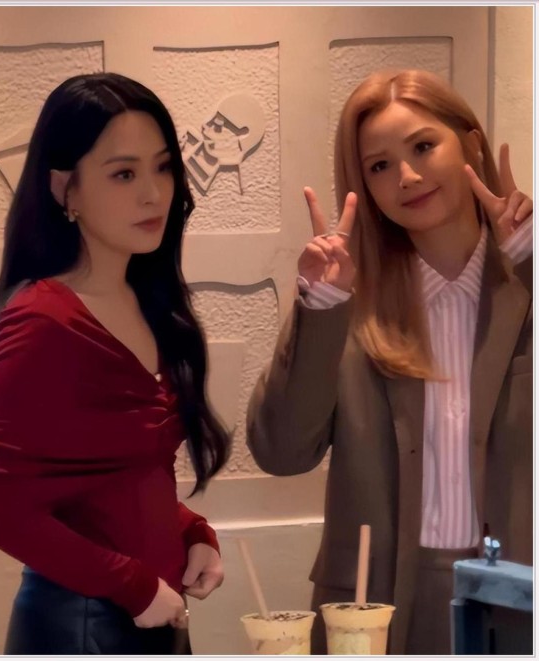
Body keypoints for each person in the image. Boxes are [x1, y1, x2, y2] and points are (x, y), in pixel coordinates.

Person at [247, 69, 532, 655]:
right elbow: (281, 451)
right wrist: (320, 306)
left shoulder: (525, 285)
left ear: (470, 144)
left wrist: (531, 260)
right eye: (379, 165)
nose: (406, 176)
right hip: (375, 606)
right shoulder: (347, 304)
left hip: (517, 597)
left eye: (423, 146)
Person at [0, 72, 231, 655]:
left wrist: (192, 532)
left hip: (150, 619)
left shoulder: (151, 304)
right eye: (123, 174)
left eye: (163, 167)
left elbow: (110, 484)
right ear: (66, 189)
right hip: (79, 626)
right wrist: (131, 585)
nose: (154, 194)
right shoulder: (42, 321)